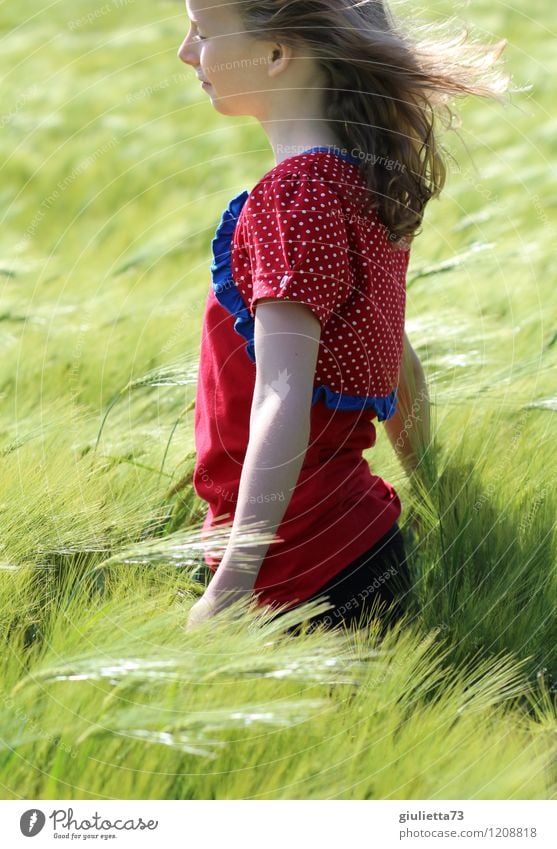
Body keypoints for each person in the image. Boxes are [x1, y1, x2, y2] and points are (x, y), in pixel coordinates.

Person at [178, 0, 509, 633]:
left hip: (289, 567)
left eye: (202, 33)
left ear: (277, 54)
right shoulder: (358, 183)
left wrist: (233, 580)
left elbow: (282, 397)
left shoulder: (292, 201)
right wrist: (433, 487)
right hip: (365, 546)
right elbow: (398, 360)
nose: (187, 53)